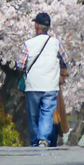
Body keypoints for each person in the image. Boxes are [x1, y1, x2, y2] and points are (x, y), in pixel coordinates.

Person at [19, 12, 66, 149]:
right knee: (47, 112)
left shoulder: (29, 44)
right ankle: (43, 139)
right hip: (50, 85)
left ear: (37, 26)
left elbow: (21, 65)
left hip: (33, 85)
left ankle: (35, 140)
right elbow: (66, 60)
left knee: (33, 115)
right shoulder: (56, 43)